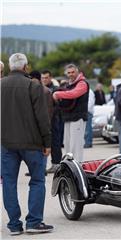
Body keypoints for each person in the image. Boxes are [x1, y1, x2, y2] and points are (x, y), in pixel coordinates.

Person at [1, 53, 54, 235]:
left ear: (9, 67)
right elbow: (42, 117)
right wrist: (48, 142)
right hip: (32, 143)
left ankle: (14, 225)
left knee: (9, 182)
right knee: (37, 181)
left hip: (6, 144)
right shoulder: (33, 85)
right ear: (26, 67)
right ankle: (33, 222)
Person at [53, 64, 89, 162]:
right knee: (68, 145)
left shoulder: (82, 83)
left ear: (77, 71)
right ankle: (70, 167)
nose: (71, 74)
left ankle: (77, 168)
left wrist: (57, 94)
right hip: (68, 117)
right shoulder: (69, 84)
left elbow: (74, 94)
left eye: (73, 72)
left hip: (78, 117)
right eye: (68, 73)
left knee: (76, 145)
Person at [41, 70, 64, 173]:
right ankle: (42, 167)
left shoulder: (55, 89)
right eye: (43, 78)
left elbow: (59, 106)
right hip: (43, 121)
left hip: (54, 120)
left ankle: (56, 164)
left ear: (50, 78)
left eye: (46, 77)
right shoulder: (39, 89)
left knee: (55, 143)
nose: (44, 79)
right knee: (43, 144)